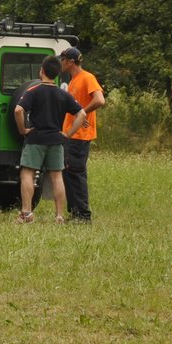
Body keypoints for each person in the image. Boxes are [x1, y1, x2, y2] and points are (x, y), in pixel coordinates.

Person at [15, 55, 87, 224]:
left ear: (42, 71)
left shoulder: (33, 91)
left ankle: (27, 213)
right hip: (56, 140)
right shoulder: (63, 94)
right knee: (57, 177)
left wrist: (22, 130)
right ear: (56, 73)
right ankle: (59, 216)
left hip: (35, 139)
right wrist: (68, 134)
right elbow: (82, 114)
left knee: (27, 173)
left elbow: (18, 110)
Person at [58, 46, 105, 221]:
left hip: (80, 135)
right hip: (71, 135)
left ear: (71, 62)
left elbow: (100, 99)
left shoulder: (87, 78)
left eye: (62, 60)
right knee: (68, 174)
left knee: (76, 174)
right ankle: (75, 212)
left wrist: (83, 112)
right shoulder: (72, 81)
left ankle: (83, 215)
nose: (60, 63)